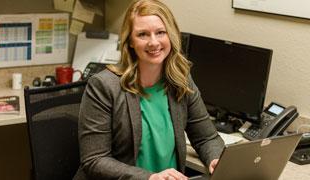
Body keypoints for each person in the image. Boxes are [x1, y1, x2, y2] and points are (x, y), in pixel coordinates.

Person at [73, 0, 224, 179]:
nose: (154, 42)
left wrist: (215, 158)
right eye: (143, 34)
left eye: (160, 32)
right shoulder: (104, 86)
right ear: (129, 41)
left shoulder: (181, 81)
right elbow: (95, 160)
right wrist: (150, 177)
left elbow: (207, 138)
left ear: (171, 35)